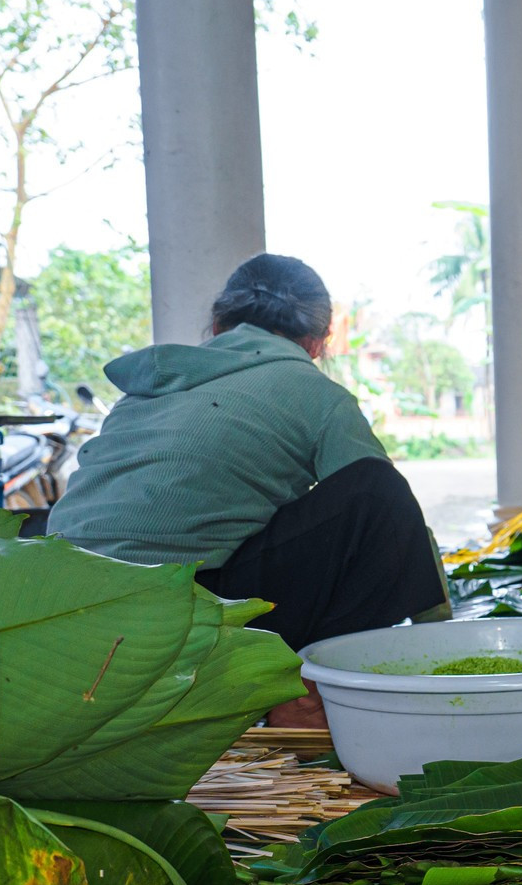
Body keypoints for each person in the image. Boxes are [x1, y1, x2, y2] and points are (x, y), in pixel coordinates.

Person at [49, 254, 447, 722]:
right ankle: (300, 688)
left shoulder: (150, 384)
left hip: (64, 609)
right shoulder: (316, 392)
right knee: (376, 492)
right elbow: (394, 520)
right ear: (317, 343)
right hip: (181, 617)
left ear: (218, 325)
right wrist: (442, 636)